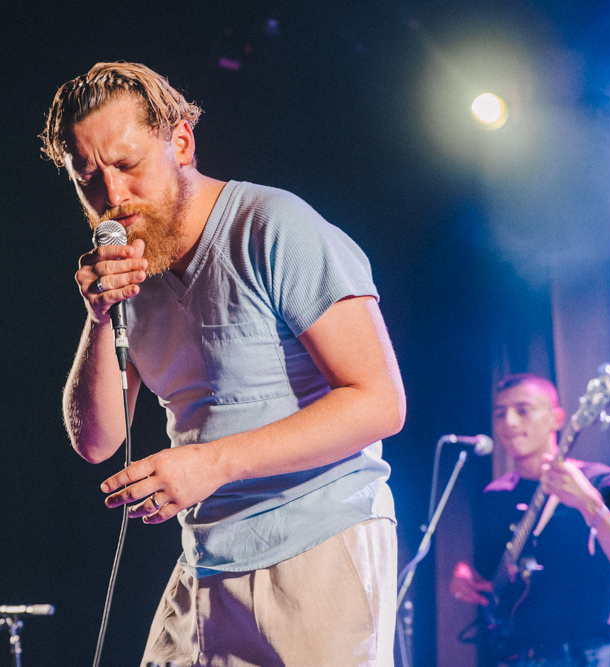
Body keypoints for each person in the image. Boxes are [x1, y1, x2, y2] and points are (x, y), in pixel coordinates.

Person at [41, 62, 406, 666]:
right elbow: (97, 441)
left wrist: (210, 463)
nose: (113, 197)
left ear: (180, 141)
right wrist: (99, 316)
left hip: (319, 545)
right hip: (207, 555)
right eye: (89, 178)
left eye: (128, 165)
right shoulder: (136, 270)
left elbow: (379, 401)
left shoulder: (273, 225)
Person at [449, 373, 610, 667]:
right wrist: (465, 574)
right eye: (500, 413)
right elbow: (491, 574)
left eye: (523, 410)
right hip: (518, 657)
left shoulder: (599, 481)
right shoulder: (494, 496)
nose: (509, 422)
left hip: (592, 657)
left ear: (557, 419)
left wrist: (590, 505)